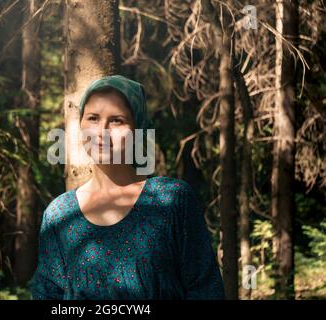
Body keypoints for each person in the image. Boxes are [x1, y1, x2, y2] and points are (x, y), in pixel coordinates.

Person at [28, 75, 225, 299]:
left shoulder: (171, 200)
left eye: (117, 120)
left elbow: (206, 289)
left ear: (138, 128)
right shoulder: (59, 214)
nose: (101, 131)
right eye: (93, 118)